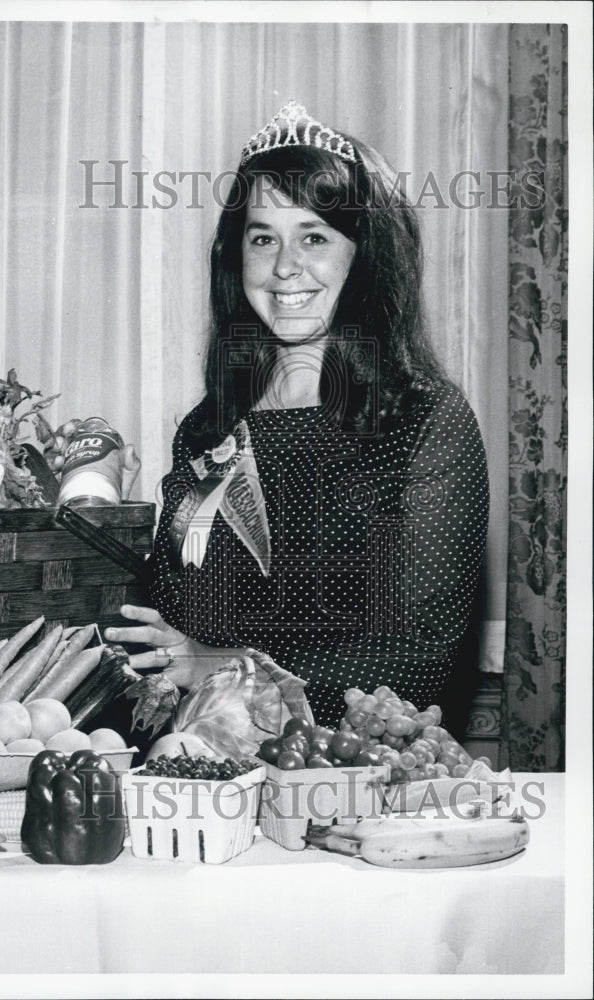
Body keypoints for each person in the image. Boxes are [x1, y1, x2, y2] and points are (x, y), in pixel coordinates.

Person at [104, 102, 489, 727]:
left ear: (362, 255)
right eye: (263, 237)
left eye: (314, 236)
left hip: (347, 774)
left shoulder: (425, 421)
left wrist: (223, 664)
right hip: (200, 769)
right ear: (238, 256)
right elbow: (177, 630)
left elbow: (415, 662)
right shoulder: (208, 430)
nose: (285, 266)